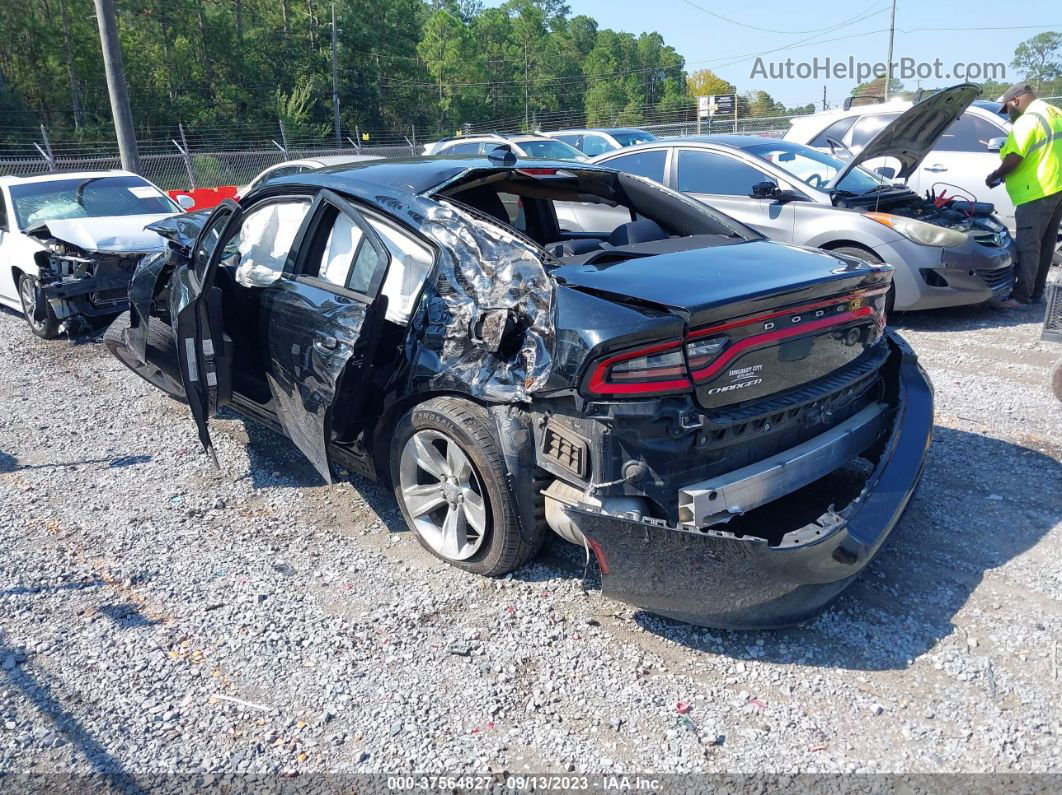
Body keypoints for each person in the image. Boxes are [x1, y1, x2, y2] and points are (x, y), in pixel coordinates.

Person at [985, 83, 1062, 310]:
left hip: (1035, 191)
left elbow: (1014, 156)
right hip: (1055, 187)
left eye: (1007, 108)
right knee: (1045, 245)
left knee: (1028, 246)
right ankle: (1036, 293)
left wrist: (996, 175)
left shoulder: (1029, 120)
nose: (1008, 113)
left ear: (1016, 100)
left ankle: (1021, 298)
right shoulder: (1054, 112)